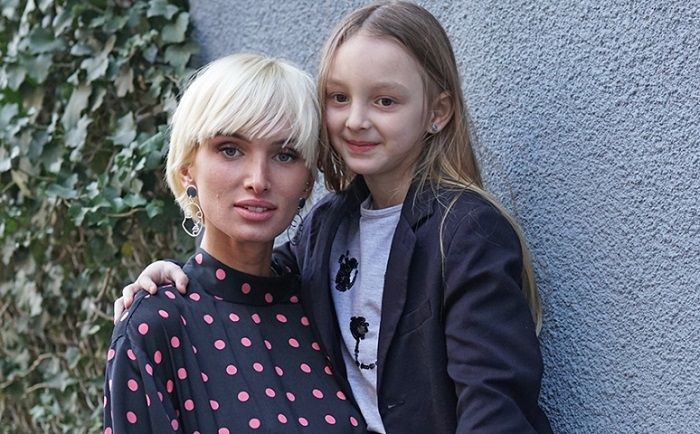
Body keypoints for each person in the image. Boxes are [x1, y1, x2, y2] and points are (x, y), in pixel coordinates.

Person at [116, 2, 553, 432]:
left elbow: (494, 407)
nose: (356, 120)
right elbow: (247, 273)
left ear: (437, 112)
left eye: (385, 101)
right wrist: (170, 274)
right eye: (339, 98)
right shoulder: (328, 227)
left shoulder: (465, 231)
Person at [103, 53, 368, 433]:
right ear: (188, 169)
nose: (258, 179)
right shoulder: (155, 326)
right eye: (231, 149)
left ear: (308, 181)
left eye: (284, 154)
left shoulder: (324, 299)